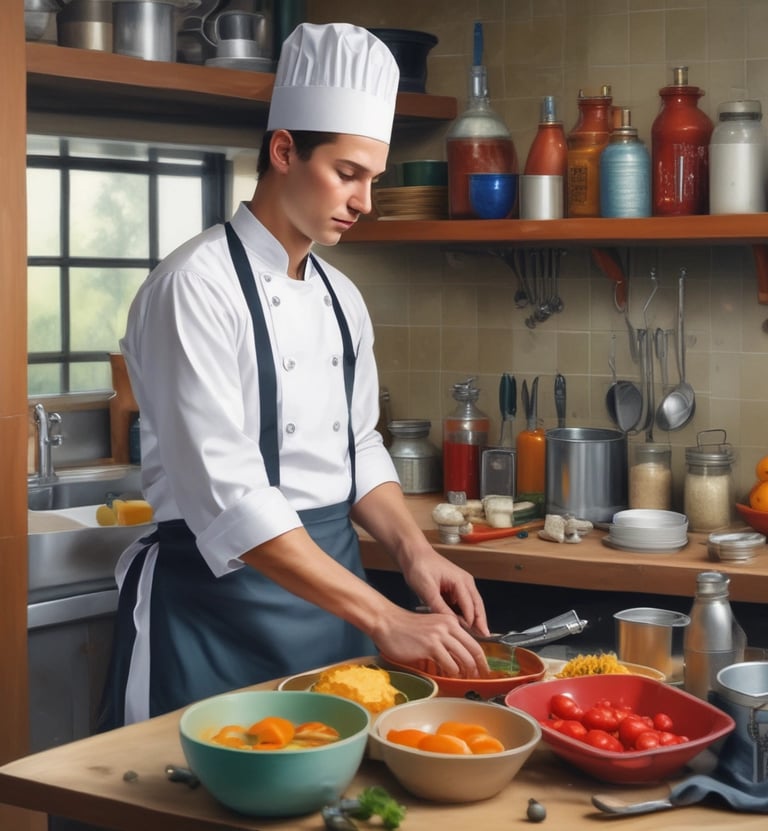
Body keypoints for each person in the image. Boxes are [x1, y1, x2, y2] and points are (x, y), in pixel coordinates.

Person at [99, 22, 490, 730]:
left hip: (331, 615)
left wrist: (414, 551)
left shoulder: (343, 296)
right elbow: (233, 500)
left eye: (373, 178)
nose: (365, 200)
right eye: (347, 173)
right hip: (213, 619)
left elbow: (358, 447)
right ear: (284, 151)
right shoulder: (194, 286)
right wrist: (382, 615)